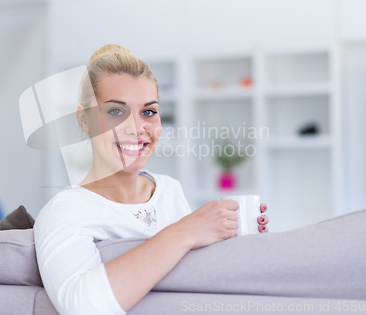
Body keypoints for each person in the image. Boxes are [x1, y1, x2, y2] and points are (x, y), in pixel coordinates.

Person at [33, 44, 270, 315]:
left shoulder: (169, 190)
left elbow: (189, 277)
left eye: (148, 112)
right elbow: (83, 307)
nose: (136, 128)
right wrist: (187, 230)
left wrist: (228, 238)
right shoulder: (64, 211)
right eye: (116, 112)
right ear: (83, 119)